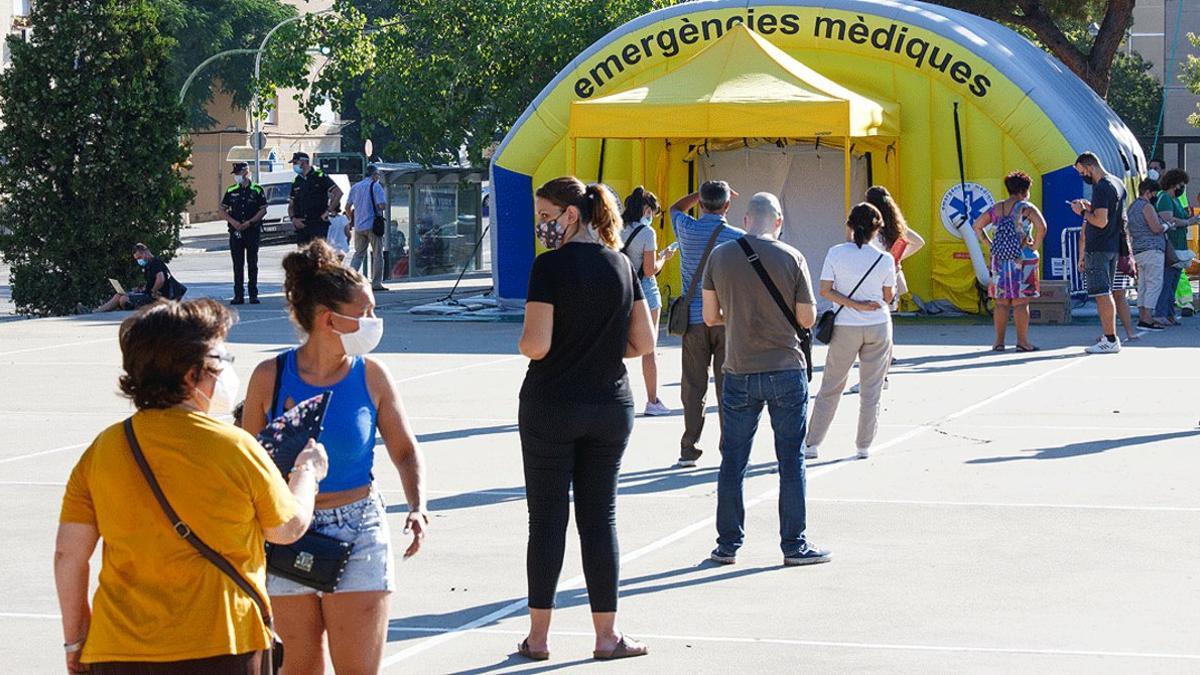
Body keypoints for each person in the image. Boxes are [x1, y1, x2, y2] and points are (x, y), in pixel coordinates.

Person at [55, 299, 327, 673]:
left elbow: (69, 555)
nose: (226, 370)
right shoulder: (234, 446)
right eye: (221, 359)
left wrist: (76, 638)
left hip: (119, 646)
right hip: (222, 642)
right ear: (191, 374)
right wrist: (307, 474)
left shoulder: (104, 449)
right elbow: (286, 528)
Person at [240, 240, 429, 673]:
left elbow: (404, 450)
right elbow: (245, 465)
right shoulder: (269, 376)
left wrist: (418, 507)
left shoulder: (373, 375)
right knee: (299, 666)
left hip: (358, 528)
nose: (373, 321)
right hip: (286, 530)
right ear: (329, 319)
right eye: (364, 313)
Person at [516, 177, 655, 662]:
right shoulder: (621, 264)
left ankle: (538, 638)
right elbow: (644, 343)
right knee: (600, 519)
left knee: (547, 520)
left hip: (551, 403)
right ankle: (606, 636)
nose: (541, 224)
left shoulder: (549, 267)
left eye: (545, 214)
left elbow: (536, 344)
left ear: (570, 215)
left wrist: (539, 339)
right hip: (608, 404)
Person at [701, 192, 830, 566]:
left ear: (745, 220)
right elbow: (806, 319)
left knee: (733, 461)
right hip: (786, 369)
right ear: (778, 221)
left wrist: (739, 318)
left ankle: (727, 545)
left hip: (738, 370)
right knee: (791, 461)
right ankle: (794, 545)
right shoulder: (793, 257)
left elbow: (710, 317)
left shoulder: (720, 256)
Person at [805, 204, 897, 460]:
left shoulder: (835, 253)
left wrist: (854, 304)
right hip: (878, 325)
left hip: (845, 326)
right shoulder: (885, 258)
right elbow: (887, 297)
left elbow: (825, 290)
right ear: (877, 229)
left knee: (831, 386)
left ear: (849, 226)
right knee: (872, 388)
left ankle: (812, 443)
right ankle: (863, 445)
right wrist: (867, 303)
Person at [669, 180, 745, 468]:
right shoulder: (738, 238)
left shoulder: (686, 230)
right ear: (728, 205)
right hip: (726, 319)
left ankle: (689, 447)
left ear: (700, 204)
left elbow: (675, 208)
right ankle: (730, 448)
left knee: (693, 386)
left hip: (693, 319)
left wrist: (697, 193)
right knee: (727, 386)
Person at [971, 171, 1048, 352]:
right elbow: (1042, 226)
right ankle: (1022, 342)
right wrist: (1034, 246)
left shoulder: (997, 208)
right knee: (1021, 303)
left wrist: (990, 245)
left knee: (1001, 303)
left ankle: (998, 342)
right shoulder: (1026, 208)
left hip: (999, 260)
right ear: (1024, 190)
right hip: (1021, 259)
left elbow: (977, 226)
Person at [620, 186, 676, 416]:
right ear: (646, 209)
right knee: (649, 348)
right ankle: (652, 401)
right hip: (645, 293)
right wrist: (664, 257)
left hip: (621, 292)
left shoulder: (617, 228)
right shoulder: (647, 233)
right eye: (652, 212)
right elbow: (650, 270)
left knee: (616, 345)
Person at [1071, 152, 1127, 353]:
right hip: (1112, 245)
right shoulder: (1118, 183)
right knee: (1106, 292)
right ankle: (1109, 334)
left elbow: (1100, 221)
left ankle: (1110, 339)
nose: (1082, 176)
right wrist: (1090, 208)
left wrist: (1083, 212)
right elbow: (1112, 215)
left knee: (1102, 294)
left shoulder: (1102, 187)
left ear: (1090, 167)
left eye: (1082, 172)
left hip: (1099, 247)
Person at [867, 185, 924, 309]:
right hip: (892, 277)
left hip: (873, 278)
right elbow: (919, 242)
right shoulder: (896, 226)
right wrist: (896, 258)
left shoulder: (869, 227)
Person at [86, 244, 186, 313]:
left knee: (123, 299)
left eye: (139, 257)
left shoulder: (155, 262)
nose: (139, 260)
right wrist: (142, 289)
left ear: (146, 252)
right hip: (149, 295)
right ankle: (95, 311)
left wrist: (153, 291)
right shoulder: (149, 265)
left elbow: (161, 279)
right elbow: (154, 281)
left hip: (157, 297)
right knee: (119, 296)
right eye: (137, 259)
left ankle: (135, 307)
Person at [219, 162, 268, 305]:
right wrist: (233, 222)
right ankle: (238, 295)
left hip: (251, 231)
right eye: (235, 174)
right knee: (237, 264)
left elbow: (263, 210)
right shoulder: (231, 190)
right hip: (236, 232)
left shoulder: (257, 190)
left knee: (252, 263)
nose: (236, 177)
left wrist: (250, 222)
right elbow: (221, 210)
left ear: (246, 173)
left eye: (238, 173)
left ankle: (253, 294)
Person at [1154, 169, 1197, 326]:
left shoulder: (1176, 199)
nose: (1182, 188)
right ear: (1173, 184)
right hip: (1170, 246)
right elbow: (1168, 220)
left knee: (1173, 282)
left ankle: (1169, 314)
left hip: (1179, 245)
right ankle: (1161, 313)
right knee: (1167, 281)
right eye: (1181, 184)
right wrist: (1188, 222)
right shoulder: (1165, 198)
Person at [1128, 179, 1169, 330]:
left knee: (1143, 285)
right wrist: (1166, 225)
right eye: (1154, 193)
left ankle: (1142, 316)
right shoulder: (1147, 206)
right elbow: (1156, 228)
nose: (1155, 196)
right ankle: (1148, 318)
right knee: (1154, 284)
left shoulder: (1132, 207)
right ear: (1148, 192)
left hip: (1138, 250)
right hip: (1152, 250)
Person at [348, 164, 389, 291]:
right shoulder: (375, 186)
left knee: (358, 254)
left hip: (359, 226)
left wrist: (352, 219)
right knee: (377, 254)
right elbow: (382, 205)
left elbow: (347, 207)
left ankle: (349, 280)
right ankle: (376, 283)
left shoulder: (355, 187)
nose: (378, 177)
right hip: (373, 225)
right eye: (378, 175)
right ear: (374, 175)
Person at [287, 151, 343, 245]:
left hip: (318, 223)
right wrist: (293, 219)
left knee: (318, 255)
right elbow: (291, 205)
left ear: (303, 162)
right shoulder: (296, 181)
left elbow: (338, 193)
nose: (294, 165)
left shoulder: (319, 176)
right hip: (302, 226)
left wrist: (328, 211)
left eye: (295, 162)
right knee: (303, 257)